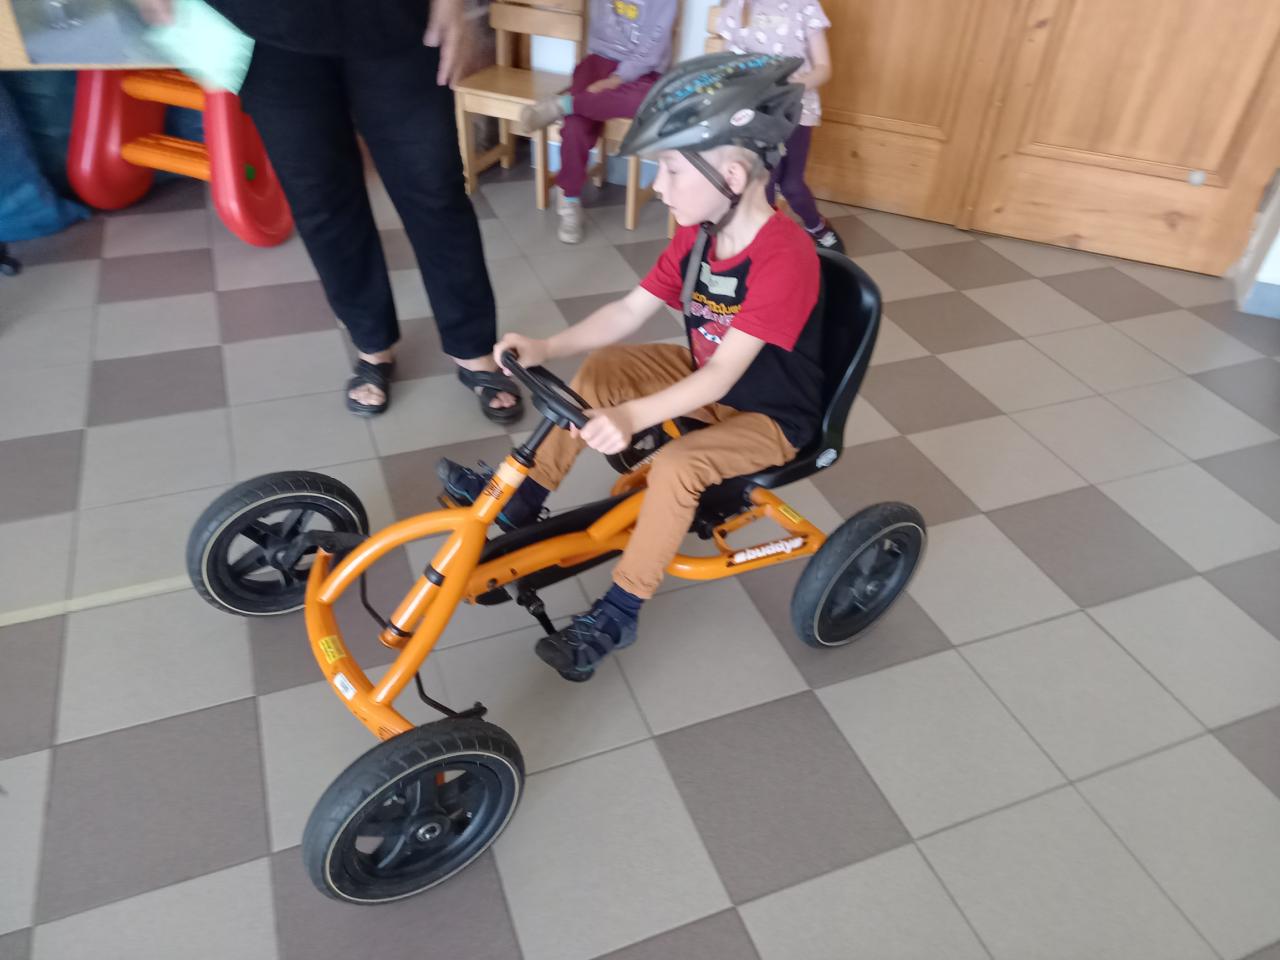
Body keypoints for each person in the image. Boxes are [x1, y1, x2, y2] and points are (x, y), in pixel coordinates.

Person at [439, 53, 824, 681]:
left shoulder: (784, 256)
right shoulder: (700, 232)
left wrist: (632, 416)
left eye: (670, 169)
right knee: (607, 368)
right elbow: (627, 311)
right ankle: (523, 502)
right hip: (708, 381)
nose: (658, 187)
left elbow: (723, 378)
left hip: (770, 415)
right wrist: (547, 346)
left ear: (731, 175)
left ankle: (621, 611)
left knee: (676, 467)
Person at [131, 0, 523, 421]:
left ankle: (473, 349)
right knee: (320, 197)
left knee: (433, 188)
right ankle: (372, 345)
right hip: (266, 30)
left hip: (398, 18)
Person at [516, 0, 678, 244]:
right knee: (576, 125)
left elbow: (653, 49)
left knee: (646, 101)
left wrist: (617, 79)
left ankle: (564, 105)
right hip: (599, 60)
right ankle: (570, 200)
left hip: (645, 70)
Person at [715, 0, 844, 253]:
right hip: (757, 114)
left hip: (797, 110)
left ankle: (817, 227)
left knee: (792, 186)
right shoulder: (737, 8)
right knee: (764, 184)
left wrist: (793, 87)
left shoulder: (805, 7)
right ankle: (767, 244)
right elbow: (727, 68)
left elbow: (824, 68)